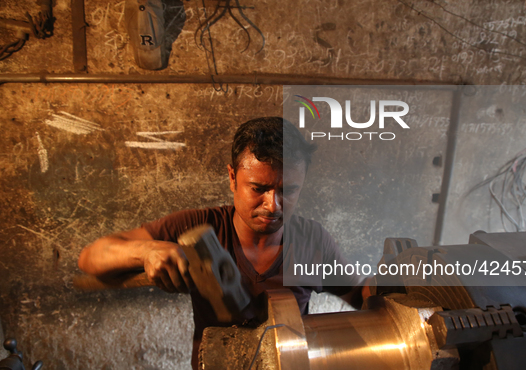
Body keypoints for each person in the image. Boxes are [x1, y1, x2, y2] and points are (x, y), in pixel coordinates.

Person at [77, 117, 368, 367]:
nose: (273, 205)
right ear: (232, 178)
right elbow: (91, 257)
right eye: (259, 188)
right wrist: (147, 251)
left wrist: (399, 283)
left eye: (288, 190)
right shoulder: (199, 227)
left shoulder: (314, 241)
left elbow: (360, 296)